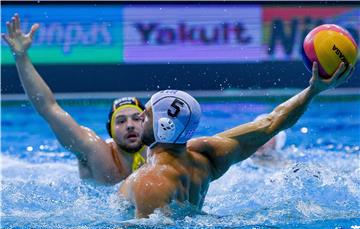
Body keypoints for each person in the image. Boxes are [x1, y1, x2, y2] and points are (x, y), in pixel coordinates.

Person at [119, 65, 353, 218]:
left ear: (164, 126)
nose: (139, 116)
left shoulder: (150, 181)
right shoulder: (205, 157)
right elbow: (272, 122)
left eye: (147, 114)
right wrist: (314, 90)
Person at [2, 14, 147, 185]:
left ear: (147, 123)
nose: (130, 125)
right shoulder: (95, 151)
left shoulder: (160, 154)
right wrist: (21, 57)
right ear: (111, 131)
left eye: (136, 119)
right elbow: (49, 108)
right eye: (121, 121)